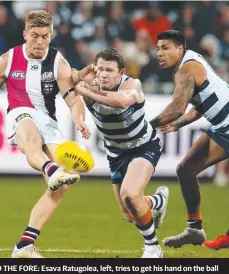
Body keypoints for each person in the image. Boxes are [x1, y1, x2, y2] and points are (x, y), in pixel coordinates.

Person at [0, 10, 91, 258]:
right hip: (20, 114)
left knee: (60, 187)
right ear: (25, 34)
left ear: (51, 36)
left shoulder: (59, 62)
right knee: (31, 138)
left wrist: (80, 120)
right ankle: (50, 169)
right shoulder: (8, 59)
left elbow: (72, 98)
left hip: (49, 123)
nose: (39, 42)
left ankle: (25, 245)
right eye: (34, 36)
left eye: (44, 36)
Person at [72, 48, 169, 258]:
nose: (104, 74)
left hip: (143, 147)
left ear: (121, 72)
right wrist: (79, 117)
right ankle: (157, 201)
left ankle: (153, 248)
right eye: (100, 69)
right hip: (116, 153)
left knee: (130, 194)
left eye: (109, 69)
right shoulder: (90, 86)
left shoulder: (132, 84)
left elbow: (121, 101)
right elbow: (73, 95)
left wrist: (84, 90)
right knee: (129, 213)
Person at [150, 29, 229, 248]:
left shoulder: (188, 68)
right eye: (158, 49)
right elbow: (200, 107)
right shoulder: (189, 63)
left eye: (165, 48)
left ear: (180, 49)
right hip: (223, 128)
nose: (159, 54)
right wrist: (178, 124)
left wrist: (146, 127)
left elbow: (177, 107)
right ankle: (194, 229)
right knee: (185, 170)